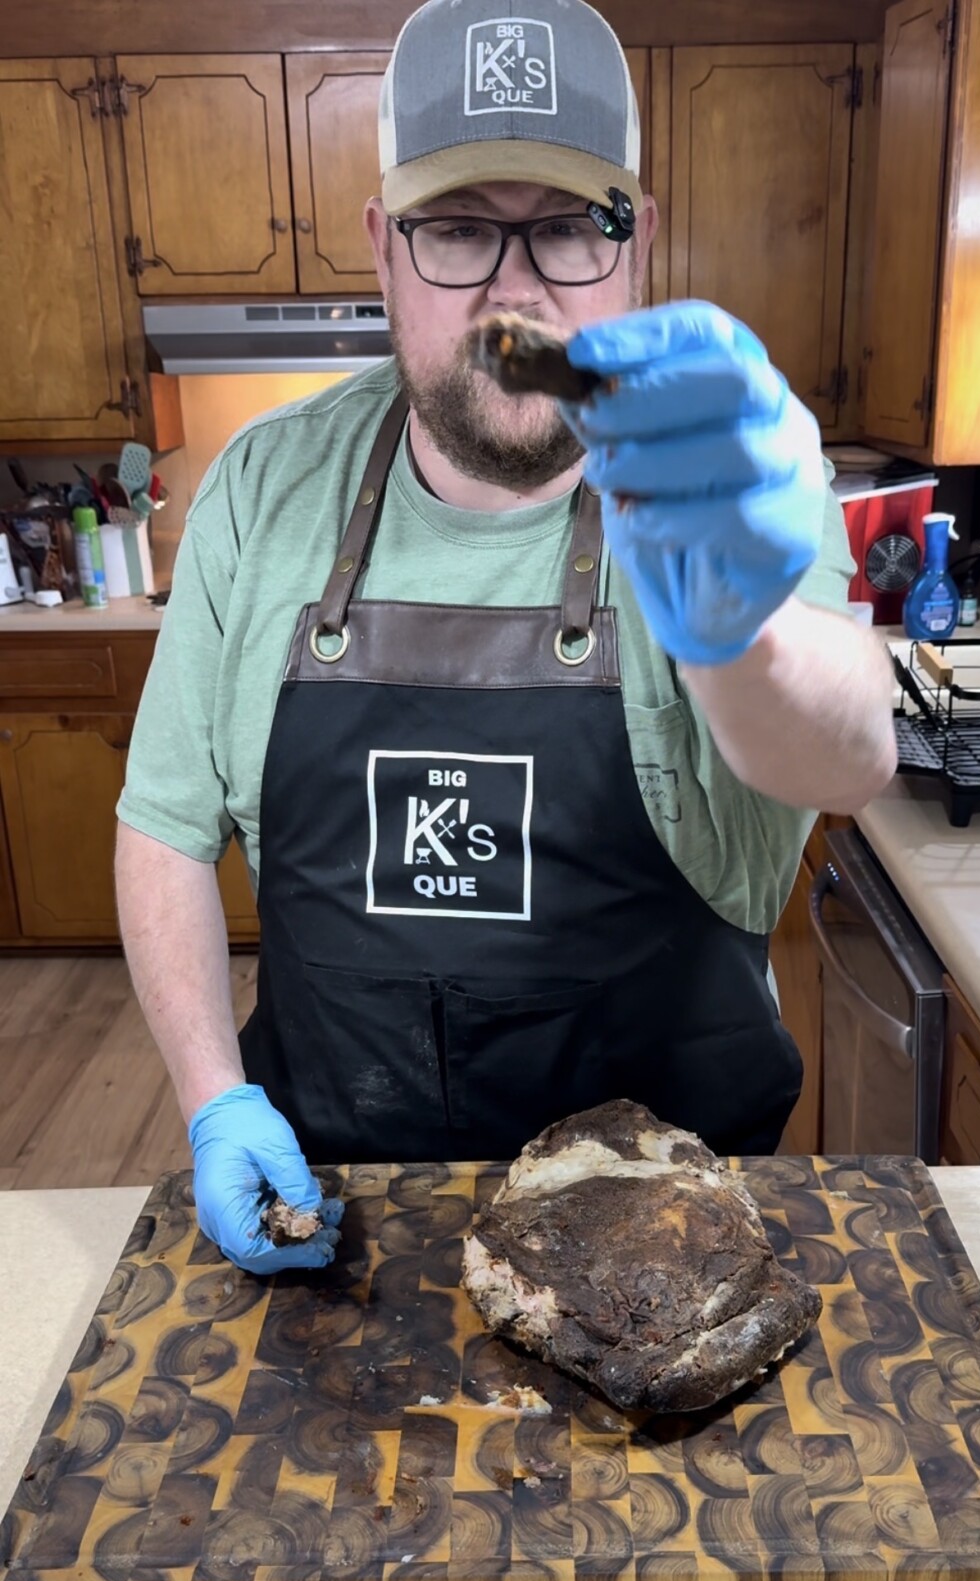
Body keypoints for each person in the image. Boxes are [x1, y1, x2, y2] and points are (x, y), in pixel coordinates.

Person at [114, 0, 897, 1277]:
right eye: (461, 227)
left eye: (566, 229)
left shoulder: (721, 463)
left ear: (631, 243)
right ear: (381, 247)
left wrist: (734, 626)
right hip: (338, 1220)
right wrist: (213, 1096)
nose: (513, 287)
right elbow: (161, 826)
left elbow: (846, 756)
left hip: (667, 1249)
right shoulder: (261, 491)